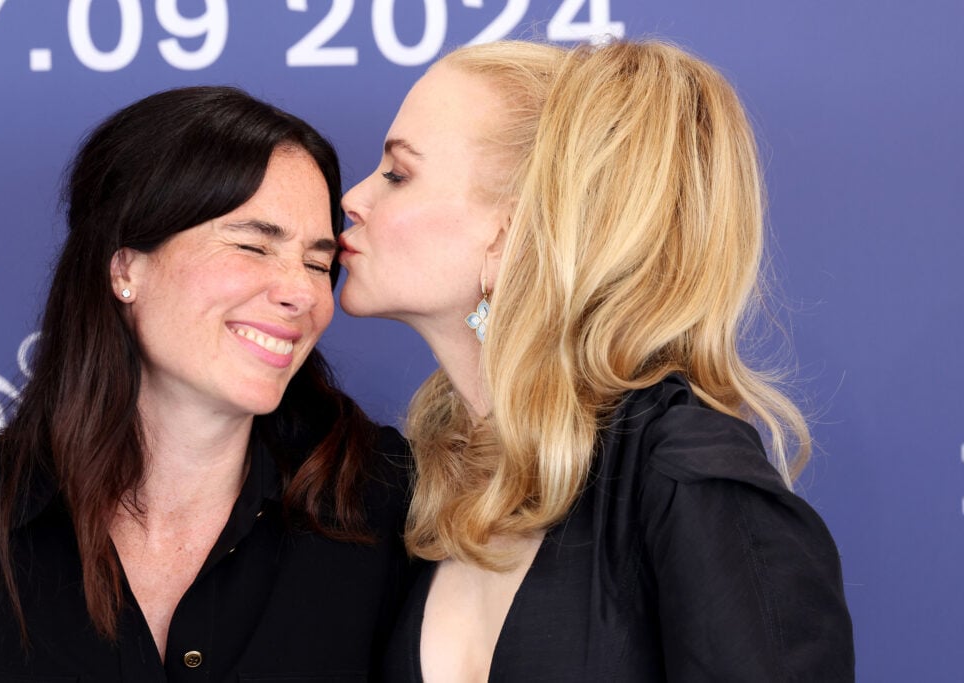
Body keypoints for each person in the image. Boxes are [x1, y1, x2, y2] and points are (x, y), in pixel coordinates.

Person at [339, 39, 854, 681]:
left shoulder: (685, 473)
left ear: (510, 232)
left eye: (397, 174)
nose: (353, 198)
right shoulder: (426, 481)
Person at [0, 86, 411, 681]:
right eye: (251, 245)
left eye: (318, 264)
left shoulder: (392, 507)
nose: (301, 292)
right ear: (125, 267)